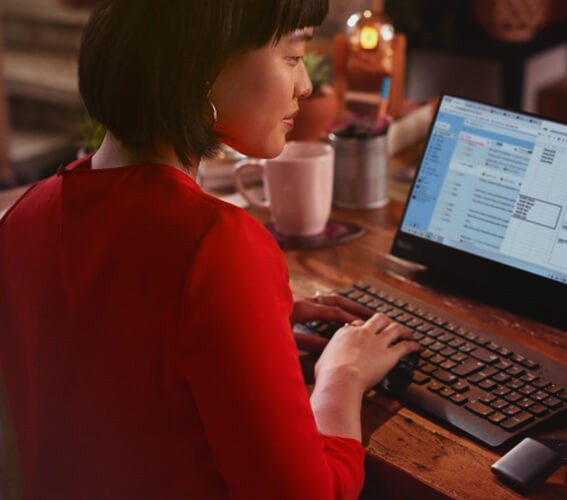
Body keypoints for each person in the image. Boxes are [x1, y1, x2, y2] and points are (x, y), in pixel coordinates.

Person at [0, 0, 419, 498]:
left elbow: (119, 368)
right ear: (204, 67)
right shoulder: (215, 244)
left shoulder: (26, 216)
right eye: (292, 56)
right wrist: (343, 377)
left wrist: (241, 325)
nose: (305, 85)